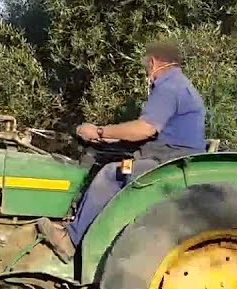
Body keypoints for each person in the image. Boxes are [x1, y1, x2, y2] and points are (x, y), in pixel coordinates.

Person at [38, 37, 207, 260]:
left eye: (146, 65)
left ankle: (71, 240)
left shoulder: (169, 87)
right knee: (107, 159)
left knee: (111, 174)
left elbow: (144, 129)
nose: (146, 71)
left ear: (154, 62)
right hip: (167, 156)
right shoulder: (180, 85)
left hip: (168, 163)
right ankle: (80, 223)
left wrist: (99, 131)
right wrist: (106, 139)